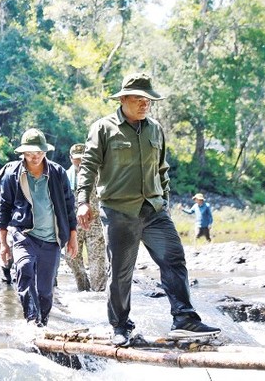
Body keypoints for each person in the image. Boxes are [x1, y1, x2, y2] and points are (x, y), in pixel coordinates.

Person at [76, 72, 220, 346]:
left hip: (154, 210)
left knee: (174, 259)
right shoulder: (103, 128)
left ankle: (184, 319)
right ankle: (120, 326)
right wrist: (83, 201)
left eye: (149, 100)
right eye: (140, 99)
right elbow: (89, 166)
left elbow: (162, 168)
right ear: (124, 99)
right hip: (120, 212)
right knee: (120, 272)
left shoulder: (155, 128)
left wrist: (164, 200)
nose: (146, 104)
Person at [0, 128, 78, 327]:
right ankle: (32, 320)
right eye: (31, 154)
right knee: (24, 270)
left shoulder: (57, 173)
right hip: (24, 234)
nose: (35, 158)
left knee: (45, 290)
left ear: (45, 152)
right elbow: (4, 207)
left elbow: (69, 206)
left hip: (51, 239)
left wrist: (73, 237)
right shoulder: (12, 174)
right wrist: (3, 242)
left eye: (39, 153)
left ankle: (43, 324)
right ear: (23, 153)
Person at [64, 143, 107, 292]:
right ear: (71, 159)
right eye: (76, 159)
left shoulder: (97, 175)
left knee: (97, 259)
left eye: (82, 158)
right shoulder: (65, 177)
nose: (79, 162)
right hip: (73, 224)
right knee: (71, 258)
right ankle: (83, 289)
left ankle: (98, 293)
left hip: (94, 222)